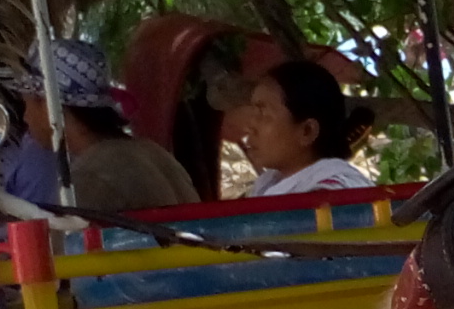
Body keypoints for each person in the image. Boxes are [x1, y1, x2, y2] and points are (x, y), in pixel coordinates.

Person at [54, 39, 193, 213]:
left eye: (27, 103)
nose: (26, 116)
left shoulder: (91, 176)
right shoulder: (152, 152)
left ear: (48, 105)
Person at [221, 51, 378, 196]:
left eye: (264, 114)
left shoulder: (329, 196)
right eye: (254, 113)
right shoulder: (267, 186)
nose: (250, 126)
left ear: (307, 131)